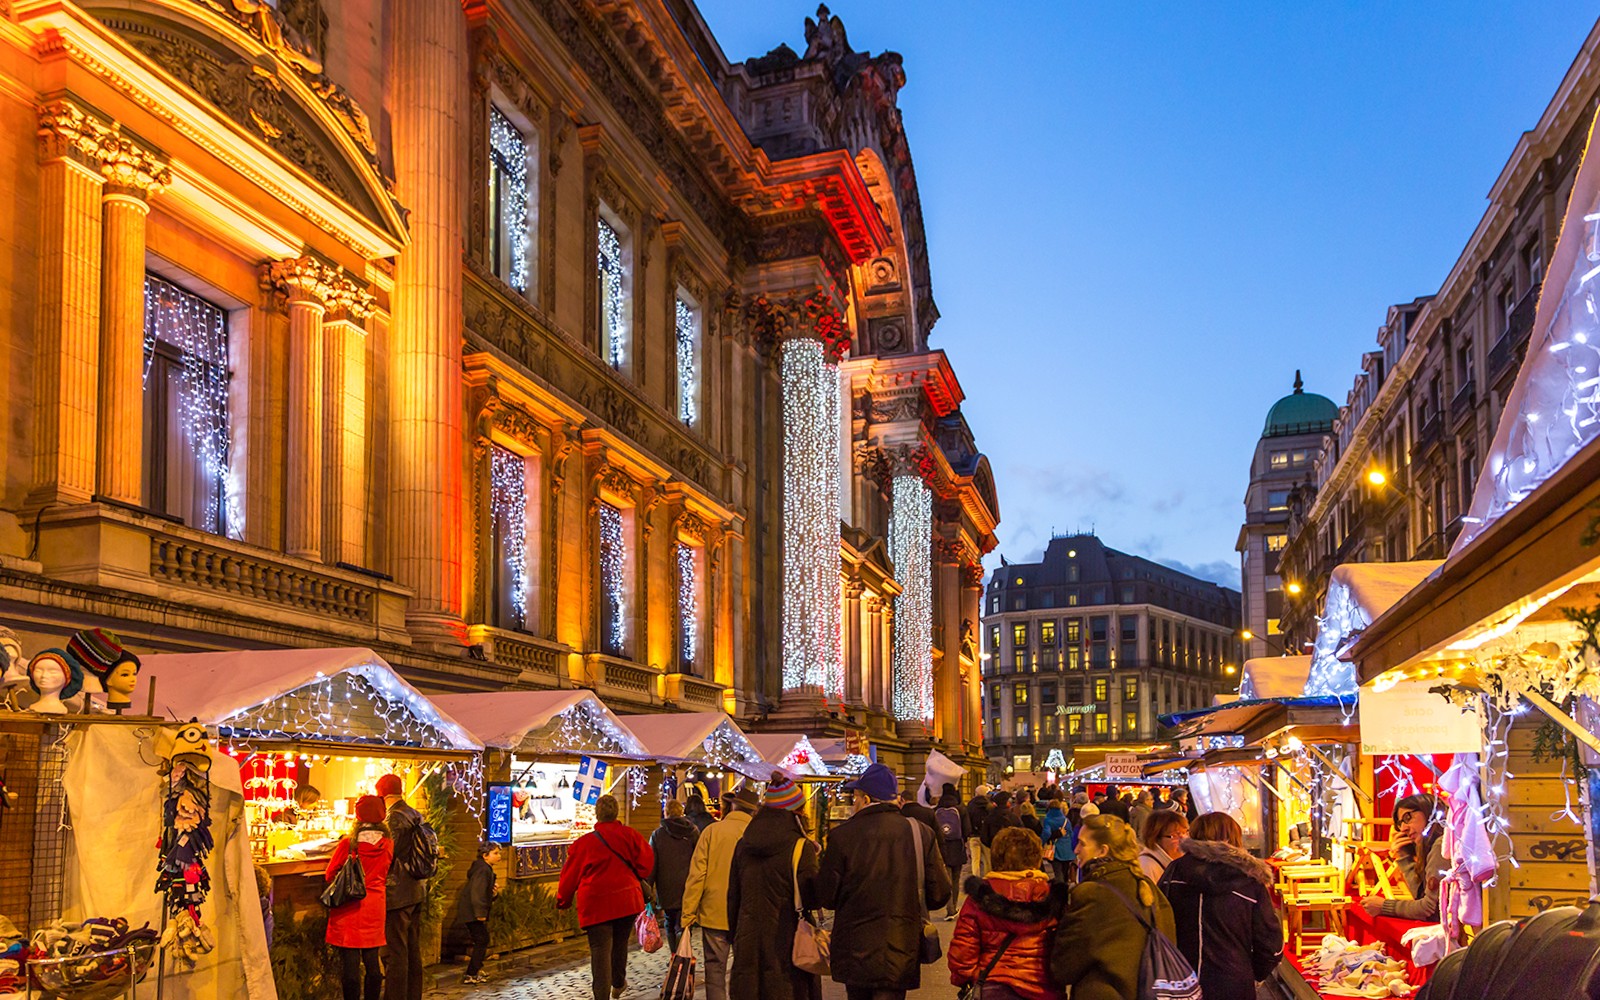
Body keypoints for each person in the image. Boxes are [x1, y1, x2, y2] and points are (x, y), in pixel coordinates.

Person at [816, 762, 951, 1000]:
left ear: (866, 799)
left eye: (855, 797)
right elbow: (939, 895)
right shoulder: (920, 833)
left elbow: (826, 896)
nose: (853, 803)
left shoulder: (841, 836)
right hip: (901, 947)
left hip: (853, 948)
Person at [1159, 812, 1282, 1000]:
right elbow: (1269, 941)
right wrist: (1254, 973)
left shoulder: (1174, 872)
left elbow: (1158, 921)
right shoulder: (1249, 880)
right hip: (1233, 983)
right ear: (1233, 838)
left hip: (1179, 980)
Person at [1051, 814, 1176, 1000]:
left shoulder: (1092, 893)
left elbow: (1063, 967)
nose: (1076, 850)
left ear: (1102, 850)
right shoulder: (1148, 888)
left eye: (1082, 844)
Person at [728, 771, 821, 1000]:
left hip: (748, 941)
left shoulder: (744, 844)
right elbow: (813, 898)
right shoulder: (801, 847)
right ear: (796, 812)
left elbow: (733, 898)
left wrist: (737, 937)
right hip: (788, 944)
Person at [948, 827, 1068, 1000]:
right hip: (1043, 990)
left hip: (993, 987)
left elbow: (962, 954)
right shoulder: (1051, 896)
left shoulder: (979, 897)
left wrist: (968, 979)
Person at [557, 793, 655, 1000]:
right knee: (620, 944)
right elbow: (646, 863)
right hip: (627, 901)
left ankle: (601, 996)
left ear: (597, 815)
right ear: (616, 813)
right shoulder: (631, 835)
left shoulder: (584, 843)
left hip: (596, 904)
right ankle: (618, 983)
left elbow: (570, 873)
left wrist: (563, 900)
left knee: (600, 950)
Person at [683, 785, 759, 1000]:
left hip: (714, 912)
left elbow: (697, 875)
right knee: (745, 969)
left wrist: (688, 913)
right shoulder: (757, 834)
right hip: (747, 914)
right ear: (754, 811)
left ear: (732, 806)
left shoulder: (712, 832)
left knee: (715, 969)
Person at [325, 795, 393, 1000]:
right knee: (372, 960)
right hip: (375, 905)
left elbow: (330, 874)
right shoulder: (388, 844)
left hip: (350, 906)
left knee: (351, 965)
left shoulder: (349, 844)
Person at [375, 773, 425, 1000]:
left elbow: (387, 854)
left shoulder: (394, 818)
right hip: (415, 889)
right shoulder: (415, 814)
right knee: (412, 949)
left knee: (394, 950)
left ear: (381, 794)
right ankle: (413, 994)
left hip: (397, 892)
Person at [1360, 793, 1445, 920]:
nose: (1403, 828)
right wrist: (1404, 857)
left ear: (1429, 812)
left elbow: (1429, 910)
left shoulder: (1441, 845)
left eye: (1408, 817)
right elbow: (1421, 897)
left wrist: (1384, 906)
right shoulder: (1431, 846)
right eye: (1400, 824)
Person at [648, 799, 700, 953]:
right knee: (684, 921)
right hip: (687, 883)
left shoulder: (658, 834)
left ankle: (674, 954)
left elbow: (652, 863)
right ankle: (683, 952)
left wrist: (649, 889)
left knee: (669, 921)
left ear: (666, 812)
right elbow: (699, 858)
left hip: (666, 885)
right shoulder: (693, 832)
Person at [453, 842, 501, 985]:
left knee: (482, 939)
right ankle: (471, 973)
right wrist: (480, 913)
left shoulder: (484, 868)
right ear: (485, 856)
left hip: (472, 911)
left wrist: (494, 894)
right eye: (496, 853)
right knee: (482, 939)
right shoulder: (482, 870)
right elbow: (477, 892)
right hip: (472, 912)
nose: (499, 856)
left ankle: (476, 970)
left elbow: (484, 892)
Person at [933, 783, 971, 919]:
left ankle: (949, 908)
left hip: (943, 848)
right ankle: (953, 907)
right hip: (957, 847)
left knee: (947, 878)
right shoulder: (961, 809)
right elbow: (967, 830)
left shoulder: (937, 809)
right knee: (956, 878)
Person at [1137, 810, 1188, 883]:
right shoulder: (1146, 866)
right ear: (1155, 838)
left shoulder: (1182, 861)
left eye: (1185, 833)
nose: (1183, 839)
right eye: (1174, 835)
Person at [1041, 795, 1075, 884]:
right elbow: (1071, 833)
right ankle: (1066, 888)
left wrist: (1041, 842)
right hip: (1067, 849)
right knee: (1065, 872)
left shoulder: (1048, 819)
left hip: (1056, 850)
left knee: (1058, 872)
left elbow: (1047, 833)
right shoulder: (1066, 820)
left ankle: (1060, 890)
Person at [967, 786, 993, 877]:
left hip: (973, 835)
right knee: (987, 860)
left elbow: (968, 820)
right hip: (985, 836)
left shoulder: (970, 804)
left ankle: (976, 877)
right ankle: (987, 878)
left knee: (975, 860)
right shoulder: (989, 805)